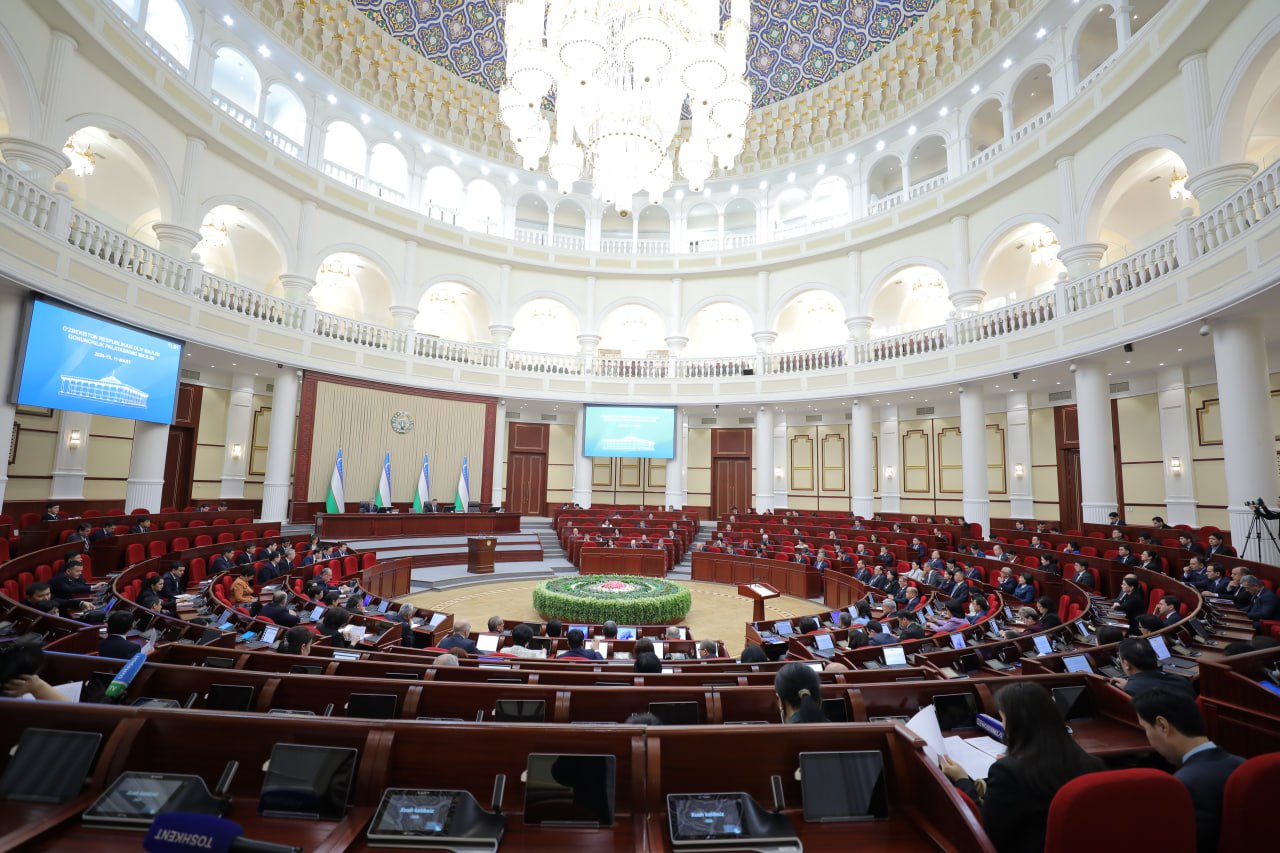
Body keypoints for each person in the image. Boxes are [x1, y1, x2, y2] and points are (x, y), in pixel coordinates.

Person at [941, 682, 1104, 853]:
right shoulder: (1094, 764)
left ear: (1014, 724)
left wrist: (962, 780)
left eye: (1002, 719)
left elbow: (983, 833)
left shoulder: (1008, 772)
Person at [1131, 689, 1244, 853]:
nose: (1148, 739)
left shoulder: (1184, 786)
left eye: (1145, 729)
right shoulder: (1243, 764)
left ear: (1163, 726)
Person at [1112, 638, 1196, 699]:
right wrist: (1130, 684)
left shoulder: (1132, 691)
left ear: (1126, 664)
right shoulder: (1181, 680)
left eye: (1120, 658)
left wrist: (1130, 686)